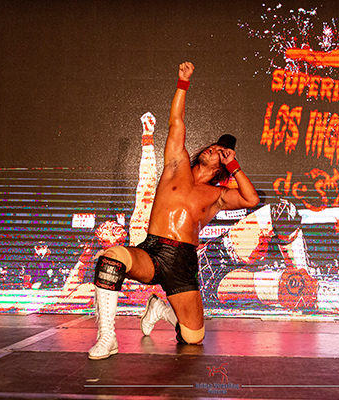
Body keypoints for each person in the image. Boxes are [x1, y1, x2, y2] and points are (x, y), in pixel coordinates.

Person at [88, 62, 259, 360]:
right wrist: (183, 83)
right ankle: (107, 338)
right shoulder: (176, 165)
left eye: (221, 152)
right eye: (212, 146)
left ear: (223, 166)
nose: (212, 150)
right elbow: (177, 122)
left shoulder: (218, 195)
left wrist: (234, 165)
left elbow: (250, 200)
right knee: (111, 259)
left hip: (184, 262)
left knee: (193, 339)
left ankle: (159, 308)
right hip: (154, 250)